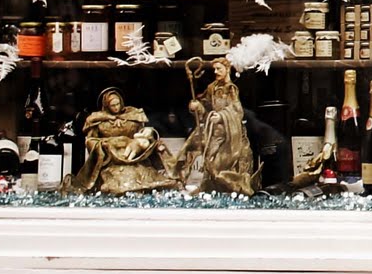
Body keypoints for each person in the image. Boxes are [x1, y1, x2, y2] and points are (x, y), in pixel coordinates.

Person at [68, 86, 174, 195]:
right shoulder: (97, 120)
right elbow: (90, 141)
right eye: (113, 105)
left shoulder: (133, 115)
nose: (116, 108)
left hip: (134, 157)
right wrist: (105, 145)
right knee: (117, 179)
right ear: (107, 105)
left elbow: (143, 134)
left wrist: (146, 134)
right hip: (110, 159)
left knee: (141, 174)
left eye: (117, 104)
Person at [183, 57, 259, 196]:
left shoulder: (231, 89)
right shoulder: (212, 88)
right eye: (214, 69)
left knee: (225, 161)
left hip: (230, 133)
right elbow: (205, 105)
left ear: (227, 69)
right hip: (214, 132)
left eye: (219, 69)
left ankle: (232, 187)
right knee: (205, 155)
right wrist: (197, 106)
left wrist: (222, 116)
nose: (216, 72)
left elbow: (237, 110)